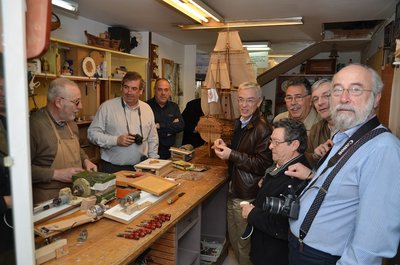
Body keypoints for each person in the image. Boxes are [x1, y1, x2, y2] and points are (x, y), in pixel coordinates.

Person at [286, 64, 400, 265]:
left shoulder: (383, 149)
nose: (344, 98)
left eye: (355, 89)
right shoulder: (344, 136)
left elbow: (373, 240)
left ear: (376, 98)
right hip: (302, 249)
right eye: (337, 90)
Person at [213, 81, 273, 265]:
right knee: (234, 239)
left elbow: (262, 164)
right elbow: (242, 151)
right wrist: (225, 147)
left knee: (244, 244)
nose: (244, 105)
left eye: (249, 100)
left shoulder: (263, 128)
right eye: (240, 100)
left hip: (247, 193)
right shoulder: (239, 122)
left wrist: (232, 154)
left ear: (258, 102)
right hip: (235, 188)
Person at [241, 118, 310, 265]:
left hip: (274, 256)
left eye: (276, 142)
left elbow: (284, 226)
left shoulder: (297, 178)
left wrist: (251, 213)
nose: (270, 146)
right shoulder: (282, 165)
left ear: (294, 145)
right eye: (271, 141)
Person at [30, 78, 97, 204]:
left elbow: (77, 148)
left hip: (75, 194)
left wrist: (85, 160)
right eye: (76, 102)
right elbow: (20, 171)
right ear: (59, 102)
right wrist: (55, 174)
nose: (80, 107)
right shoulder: (33, 126)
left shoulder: (71, 123)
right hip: (48, 201)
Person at [88, 71, 159, 173]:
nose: (129, 92)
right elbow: (92, 134)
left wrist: (153, 162)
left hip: (141, 168)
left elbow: (153, 138)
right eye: (126, 87)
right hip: (112, 169)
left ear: (141, 91)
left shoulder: (147, 109)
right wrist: (116, 140)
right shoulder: (107, 107)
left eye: (134, 89)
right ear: (121, 87)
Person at [0, 53, 15, 265]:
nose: (3, 94)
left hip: (11, 219)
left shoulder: (11, 122)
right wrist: (5, 202)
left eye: (6, 88)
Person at [147, 78, 184, 159]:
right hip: (150, 153)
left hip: (170, 153)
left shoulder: (174, 106)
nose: (163, 93)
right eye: (160, 89)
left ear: (169, 92)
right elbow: (147, 129)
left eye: (166, 90)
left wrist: (159, 125)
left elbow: (181, 125)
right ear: (154, 90)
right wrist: (170, 128)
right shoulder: (146, 106)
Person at [305, 79, 336, 166]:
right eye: (315, 99)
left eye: (326, 96)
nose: (320, 103)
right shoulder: (316, 129)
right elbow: (307, 160)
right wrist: (315, 156)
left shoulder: (352, 128)